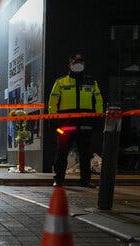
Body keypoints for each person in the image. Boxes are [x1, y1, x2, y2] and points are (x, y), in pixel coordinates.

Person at [48, 54, 103, 187]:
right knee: (62, 153)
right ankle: (59, 179)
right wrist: (53, 120)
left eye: (80, 62)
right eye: (75, 62)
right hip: (66, 125)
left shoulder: (91, 82)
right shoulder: (61, 82)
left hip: (85, 123)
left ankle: (85, 181)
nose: (78, 65)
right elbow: (52, 102)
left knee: (85, 154)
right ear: (70, 65)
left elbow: (99, 101)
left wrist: (99, 118)